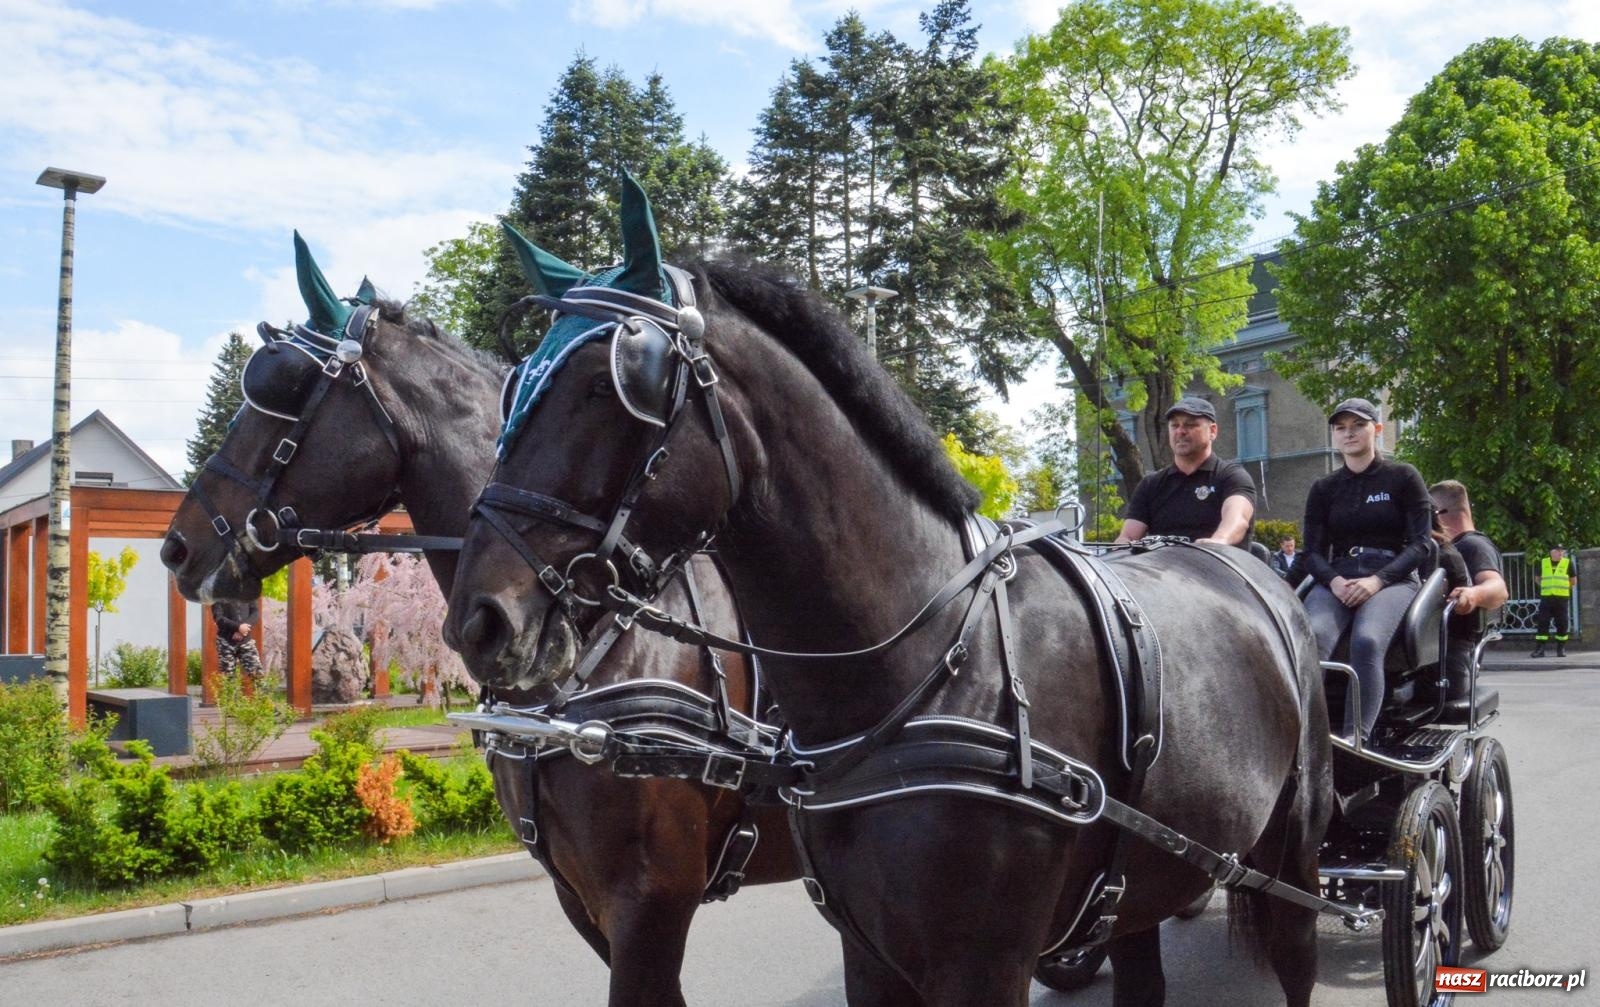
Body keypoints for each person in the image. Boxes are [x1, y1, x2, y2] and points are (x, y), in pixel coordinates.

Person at [1300, 398, 1433, 740]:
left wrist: (1377, 581)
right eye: (1340, 428)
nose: (1349, 434)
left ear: (1376, 429)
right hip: (1338, 578)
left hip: (1393, 578)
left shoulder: (1403, 476)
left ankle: (1354, 738)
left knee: (1368, 641)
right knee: (1312, 638)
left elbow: (1422, 544)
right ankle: (1306, 735)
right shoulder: (1324, 488)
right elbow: (1312, 553)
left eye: (1358, 426)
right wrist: (1334, 581)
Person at [1115, 397, 1256, 547]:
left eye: (1190, 425)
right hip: (1161, 567)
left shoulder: (1232, 476)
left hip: (1217, 566)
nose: (1180, 431)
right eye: (1174, 425)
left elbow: (1238, 518)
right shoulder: (1150, 485)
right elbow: (1128, 536)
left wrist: (1219, 540)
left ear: (1212, 431)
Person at [1430, 480, 1508, 696]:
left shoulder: (1473, 546)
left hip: (1452, 658)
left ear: (1439, 514)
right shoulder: (1456, 546)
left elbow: (1498, 589)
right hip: (1442, 653)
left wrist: (1472, 594)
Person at [1530, 544, 1575, 658]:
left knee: (1562, 623)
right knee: (1543, 623)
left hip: (1561, 599)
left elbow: (1573, 581)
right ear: (1551, 552)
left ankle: (1561, 649)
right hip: (1546, 598)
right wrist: (1547, 587)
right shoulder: (1544, 562)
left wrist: (1561, 589)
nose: (1561, 553)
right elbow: (1537, 579)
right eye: (1558, 551)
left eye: (1562, 551)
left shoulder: (1568, 563)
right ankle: (1540, 650)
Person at [212, 597, 264, 683]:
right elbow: (218, 618)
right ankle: (230, 696)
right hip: (226, 642)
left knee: (257, 674)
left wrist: (243, 629)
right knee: (227, 679)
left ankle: (262, 696)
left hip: (246, 641)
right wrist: (238, 627)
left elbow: (255, 612)